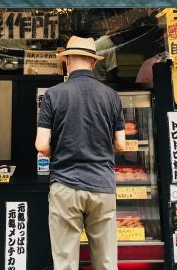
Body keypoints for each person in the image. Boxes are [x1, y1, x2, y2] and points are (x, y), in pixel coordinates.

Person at [36, 36, 126, 270]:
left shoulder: (53, 94)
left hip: (65, 185)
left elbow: (41, 144)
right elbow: (121, 144)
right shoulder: (111, 95)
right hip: (102, 185)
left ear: (67, 61)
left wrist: (57, 150)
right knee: (106, 262)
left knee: (65, 263)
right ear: (93, 63)